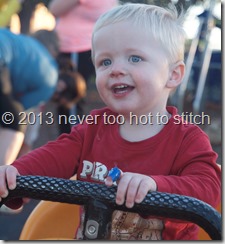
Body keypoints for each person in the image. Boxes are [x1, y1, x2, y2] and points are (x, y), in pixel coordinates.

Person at [0, 3, 221, 240]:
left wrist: (156, 186)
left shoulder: (187, 139)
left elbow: (208, 190)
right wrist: (16, 173)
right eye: (105, 62)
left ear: (173, 74)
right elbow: (54, 156)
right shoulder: (93, 129)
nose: (116, 70)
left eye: (135, 58)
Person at [48, 0, 118, 124]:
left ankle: (73, 140)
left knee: (69, 98)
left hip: (76, 47)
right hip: (81, 47)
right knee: (69, 99)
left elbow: (54, 9)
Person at [0, 28, 59, 166]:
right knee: (15, 120)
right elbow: (21, 108)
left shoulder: (29, 46)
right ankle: (2, 176)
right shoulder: (51, 81)